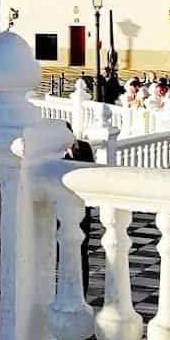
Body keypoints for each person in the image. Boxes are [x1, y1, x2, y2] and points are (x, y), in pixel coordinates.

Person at [63, 125, 96, 294]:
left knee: (82, 252)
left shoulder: (84, 147)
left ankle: (83, 292)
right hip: (62, 213)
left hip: (82, 211)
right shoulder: (53, 154)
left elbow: (90, 172)